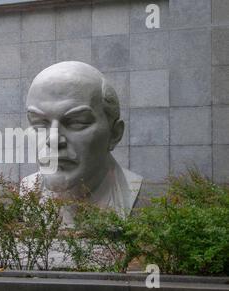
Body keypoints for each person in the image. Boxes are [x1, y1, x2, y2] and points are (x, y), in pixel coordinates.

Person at [20, 61, 143, 224]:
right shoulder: (28, 192)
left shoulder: (142, 197)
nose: (53, 140)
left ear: (114, 133)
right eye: (39, 123)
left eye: (76, 122)